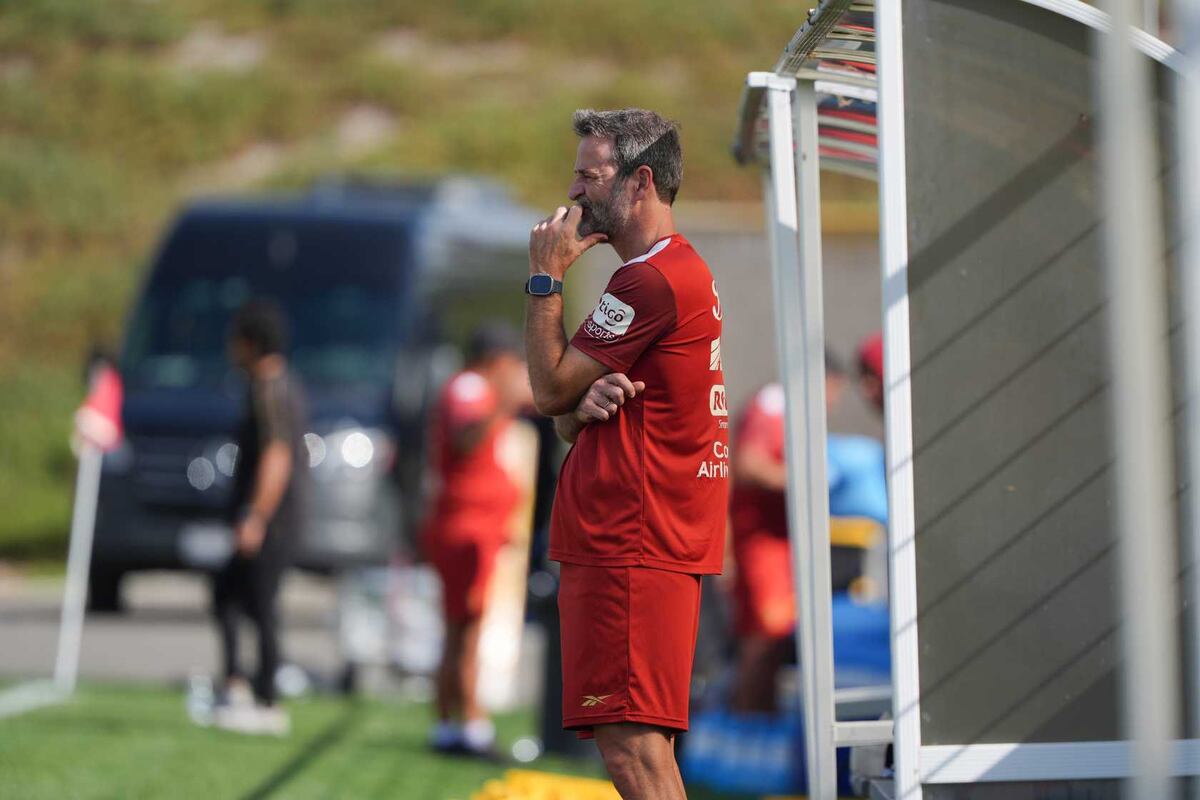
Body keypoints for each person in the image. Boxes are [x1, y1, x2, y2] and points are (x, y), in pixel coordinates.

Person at [525, 108, 729, 799]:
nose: (575, 192)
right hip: (635, 540)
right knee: (641, 747)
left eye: (590, 175)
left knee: (631, 748)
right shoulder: (660, 273)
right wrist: (574, 415)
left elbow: (550, 387)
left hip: (632, 543)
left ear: (640, 182)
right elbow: (571, 409)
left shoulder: (652, 279)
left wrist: (545, 280)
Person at [729, 353, 888, 712]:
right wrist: (806, 480)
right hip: (763, 543)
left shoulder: (791, 413)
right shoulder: (773, 404)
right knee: (763, 639)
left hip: (782, 544)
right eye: (832, 393)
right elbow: (749, 465)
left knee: (776, 639)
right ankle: (745, 730)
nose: (831, 404)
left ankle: (758, 723)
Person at [422, 323, 531, 756]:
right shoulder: (470, 387)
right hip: (465, 529)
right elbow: (467, 435)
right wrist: (505, 400)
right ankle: (468, 723)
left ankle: (455, 721)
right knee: (464, 630)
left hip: (478, 528)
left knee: (465, 628)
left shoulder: (480, 392)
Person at [211, 300, 308, 735]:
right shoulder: (273, 384)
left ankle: (266, 699)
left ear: (250, 343)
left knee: (258, 605)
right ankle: (237, 685)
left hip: (274, 519)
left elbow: (276, 456)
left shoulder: (271, 388)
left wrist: (255, 514)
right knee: (230, 595)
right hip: (275, 517)